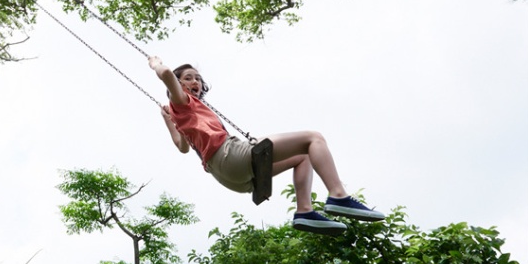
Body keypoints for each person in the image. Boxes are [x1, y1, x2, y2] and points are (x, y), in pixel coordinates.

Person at [148, 56, 384, 235]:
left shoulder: (184, 113)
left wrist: (167, 120)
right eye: (188, 77)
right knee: (314, 138)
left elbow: (182, 146)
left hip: (230, 178)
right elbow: (166, 72)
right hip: (228, 156)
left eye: (198, 78)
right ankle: (339, 195)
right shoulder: (182, 101)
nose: (195, 81)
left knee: (304, 156)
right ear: (177, 85)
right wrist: (155, 62)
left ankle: (304, 212)